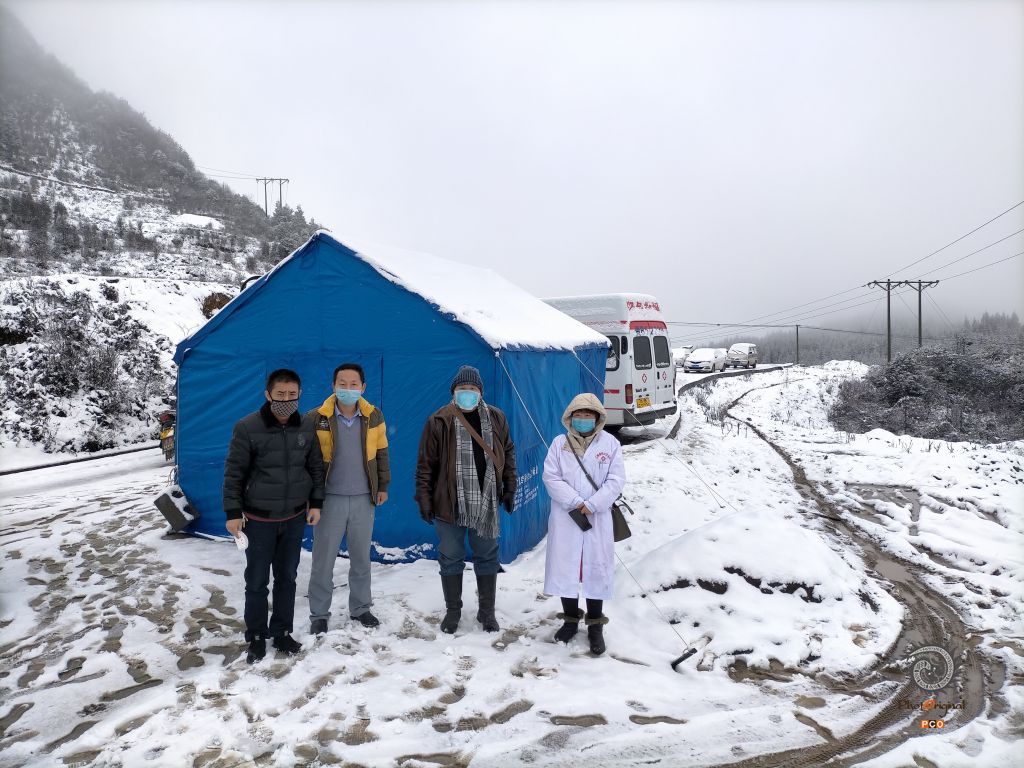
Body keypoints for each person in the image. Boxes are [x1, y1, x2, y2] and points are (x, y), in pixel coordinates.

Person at [223, 368, 325, 664]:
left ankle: (282, 632)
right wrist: (233, 512)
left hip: (294, 517)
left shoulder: (307, 426)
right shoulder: (247, 427)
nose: (286, 400)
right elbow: (234, 473)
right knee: (256, 581)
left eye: (292, 394)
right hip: (258, 520)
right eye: (280, 394)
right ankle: (256, 636)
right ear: (268, 394)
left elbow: (315, 467)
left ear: (300, 394)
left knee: (287, 578)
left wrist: (315, 504)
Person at [415, 365, 516, 634]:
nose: (467, 393)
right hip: (449, 503)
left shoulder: (496, 418)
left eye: (472, 388)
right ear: (453, 391)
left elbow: (508, 453)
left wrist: (510, 487)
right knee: (450, 557)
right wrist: (424, 498)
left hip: (486, 502)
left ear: (480, 391)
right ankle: (453, 612)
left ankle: (487, 612)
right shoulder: (439, 420)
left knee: (487, 555)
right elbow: (426, 464)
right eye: (462, 389)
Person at [307, 362, 390, 634]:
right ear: (333, 386)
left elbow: (382, 453)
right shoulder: (316, 418)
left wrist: (382, 486)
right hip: (329, 499)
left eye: (354, 384)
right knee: (323, 560)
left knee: (361, 558)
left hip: (364, 498)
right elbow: (307, 461)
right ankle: (319, 614)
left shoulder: (374, 416)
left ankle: (361, 608)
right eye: (342, 384)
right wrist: (311, 497)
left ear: (363, 387)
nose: (348, 388)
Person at [542, 393, 626, 656]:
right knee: (565, 568)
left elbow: (616, 480)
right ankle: (569, 620)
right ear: (570, 417)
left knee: (595, 570)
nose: (582, 419)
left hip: (597, 517)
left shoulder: (610, 444)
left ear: (597, 418)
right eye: (578, 415)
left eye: (588, 415)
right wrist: (576, 501)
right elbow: (550, 477)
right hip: (567, 517)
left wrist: (593, 504)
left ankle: (595, 625)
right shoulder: (559, 444)